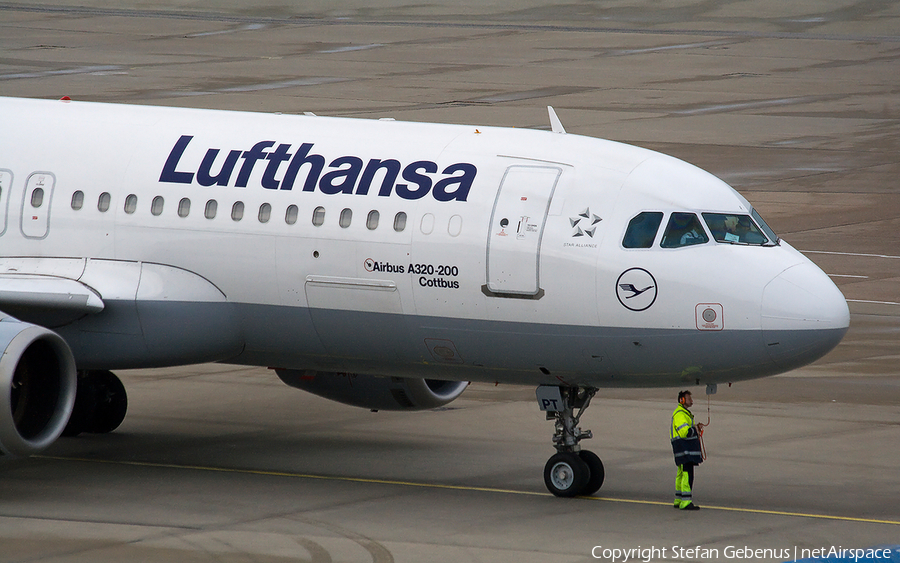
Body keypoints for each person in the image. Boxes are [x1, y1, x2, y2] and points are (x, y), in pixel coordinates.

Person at [671, 390, 704, 510]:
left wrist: (695, 428)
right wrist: (694, 429)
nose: (691, 400)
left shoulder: (684, 413)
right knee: (687, 474)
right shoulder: (680, 414)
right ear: (682, 400)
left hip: (683, 449)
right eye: (689, 398)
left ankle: (679, 498)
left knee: (681, 473)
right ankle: (685, 501)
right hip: (684, 449)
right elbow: (684, 432)